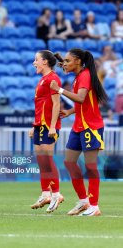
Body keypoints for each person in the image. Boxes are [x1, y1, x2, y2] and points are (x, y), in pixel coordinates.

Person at [50, 48, 109, 216]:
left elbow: (82, 98)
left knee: (90, 166)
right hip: (78, 127)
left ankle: (94, 205)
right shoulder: (79, 75)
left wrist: (59, 90)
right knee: (69, 162)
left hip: (91, 127)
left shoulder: (84, 76)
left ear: (78, 62)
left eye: (68, 61)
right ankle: (83, 200)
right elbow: (85, 102)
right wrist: (70, 112)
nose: (65, 65)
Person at [29, 50, 63, 213]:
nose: (34, 62)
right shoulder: (43, 79)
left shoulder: (53, 79)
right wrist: (34, 126)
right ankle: (45, 194)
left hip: (48, 126)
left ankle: (56, 194)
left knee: (48, 161)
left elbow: (56, 104)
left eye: (36, 60)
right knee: (42, 162)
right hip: (39, 124)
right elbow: (41, 105)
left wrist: (52, 126)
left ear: (45, 62)